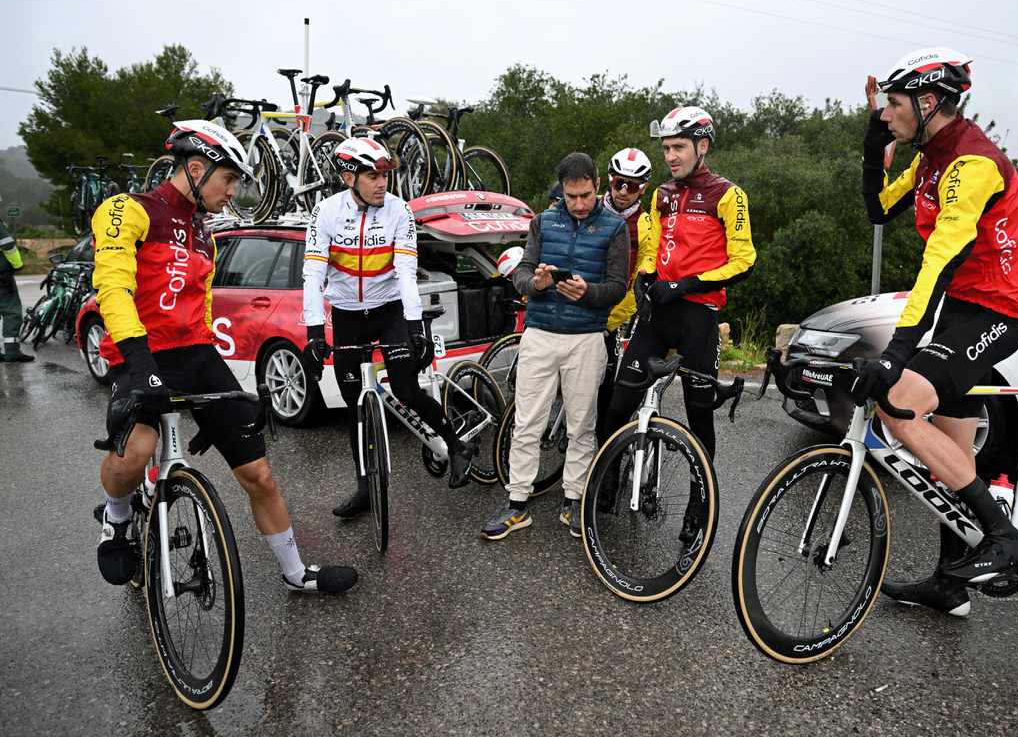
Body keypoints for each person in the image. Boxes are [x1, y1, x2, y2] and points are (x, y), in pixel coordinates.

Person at [93, 120, 356, 594]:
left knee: (258, 472)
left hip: (194, 354)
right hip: (139, 353)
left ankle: (296, 573)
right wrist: (141, 365)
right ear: (195, 169)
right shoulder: (127, 210)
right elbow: (113, 289)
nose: (232, 191)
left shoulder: (204, 234)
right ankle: (115, 518)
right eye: (228, 180)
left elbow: (201, 313)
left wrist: (232, 392)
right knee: (137, 451)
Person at [854, 47, 1018, 617]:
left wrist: (897, 352)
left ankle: (1004, 538)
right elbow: (880, 208)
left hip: (996, 311)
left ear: (928, 101)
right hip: (964, 309)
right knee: (951, 455)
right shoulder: (932, 159)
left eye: (893, 104)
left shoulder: (971, 164)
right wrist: (870, 148)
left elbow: (939, 260)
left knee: (899, 405)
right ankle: (949, 585)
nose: (887, 114)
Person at [601, 107, 756, 544]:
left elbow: (744, 260)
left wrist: (689, 282)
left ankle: (697, 504)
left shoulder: (729, 195)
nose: (670, 156)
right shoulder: (662, 193)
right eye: (666, 148)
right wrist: (646, 275)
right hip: (658, 313)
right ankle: (607, 487)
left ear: (702, 146)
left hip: (698, 317)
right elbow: (656, 248)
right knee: (618, 406)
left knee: (698, 421)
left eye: (679, 147)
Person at [302, 138, 473, 518]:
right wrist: (313, 334)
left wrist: (415, 327)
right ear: (349, 177)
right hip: (346, 314)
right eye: (372, 175)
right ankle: (364, 488)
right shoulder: (326, 212)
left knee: (406, 388)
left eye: (385, 175)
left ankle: (456, 445)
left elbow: (406, 272)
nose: (383, 183)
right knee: (352, 406)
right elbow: (312, 274)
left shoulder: (399, 211)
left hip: (390, 309)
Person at [481, 152, 629, 540]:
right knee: (527, 422)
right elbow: (522, 276)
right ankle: (517, 506)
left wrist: (589, 292)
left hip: (587, 339)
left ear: (598, 186)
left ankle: (573, 503)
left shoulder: (615, 228)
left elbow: (617, 288)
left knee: (582, 426)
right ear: (561, 190)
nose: (578, 204)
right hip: (541, 333)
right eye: (570, 196)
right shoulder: (542, 221)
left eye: (584, 195)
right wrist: (539, 284)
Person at [594, 148, 656, 443]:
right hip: (576, 308)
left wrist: (610, 319)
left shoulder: (645, 223)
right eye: (618, 181)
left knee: (606, 394)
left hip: (608, 314)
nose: (622, 191)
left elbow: (641, 279)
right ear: (609, 178)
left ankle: (603, 464)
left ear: (643, 187)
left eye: (631, 185)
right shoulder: (587, 207)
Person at [0, 218, 33, 362]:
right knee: (11, 312)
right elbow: (8, 246)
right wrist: (17, 266)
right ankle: (12, 352)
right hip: (2, 278)